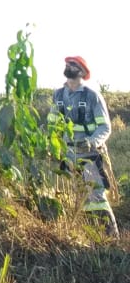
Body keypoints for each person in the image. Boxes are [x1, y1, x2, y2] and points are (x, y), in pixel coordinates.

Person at [48, 55, 119, 237]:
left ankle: (112, 239)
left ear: (82, 71)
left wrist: (92, 142)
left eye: (73, 65)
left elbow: (105, 127)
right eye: (67, 64)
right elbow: (53, 124)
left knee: (96, 197)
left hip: (90, 156)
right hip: (68, 155)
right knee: (79, 198)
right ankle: (90, 238)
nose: (68, 66)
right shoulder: (58, 95)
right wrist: (53, 145)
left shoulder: (92, 96)